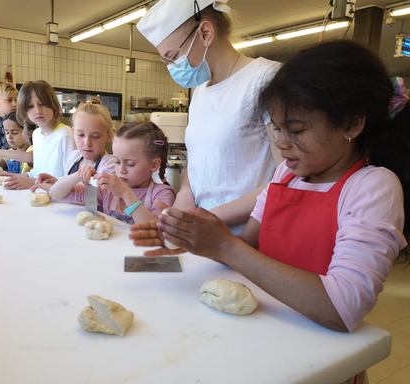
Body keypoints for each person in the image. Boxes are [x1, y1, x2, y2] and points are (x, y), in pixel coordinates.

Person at [130, 38, 409, 362]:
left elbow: (342, 308)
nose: (281, 143)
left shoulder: (373, 187)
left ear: (351, 123)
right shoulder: (285, 178)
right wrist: (193, 237)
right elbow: (248, 246)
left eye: (297, 130)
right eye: (275, 129)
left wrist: (225, 246)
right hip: (262, 338)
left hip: (317, 358)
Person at [136, 0, 283, 235]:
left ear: (205, 33)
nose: (173, 67)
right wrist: (182, 207)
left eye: (173, 56)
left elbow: (285, 178)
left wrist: (205, 218)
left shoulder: (266, 79)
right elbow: (196, 167)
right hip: (201, 235)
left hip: (247, 238)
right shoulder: (201, 92)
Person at [35, 121, 176, 224]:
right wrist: (77, 175)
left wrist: (126, 193)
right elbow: (56, 193)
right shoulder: (107, 190)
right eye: (117, 161)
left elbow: (156, 232)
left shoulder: (162, 194)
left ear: (154, 164)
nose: (121, 170)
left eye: (130, 164)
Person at [0, 80, 75, 190]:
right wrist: (17, 176)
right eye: (30, 106)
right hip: (39, 193)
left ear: (53, 104)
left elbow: (72, 178)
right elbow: (38, 171)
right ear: (25, 112)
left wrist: (32, 182)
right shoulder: (37, 134)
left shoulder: (65, 135)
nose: (37, 111)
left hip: (59, 198)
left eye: (42, 104)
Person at [32, 98, 115, 191]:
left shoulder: (109, 166)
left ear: (108, 136)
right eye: (81, 135)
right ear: (74, 133)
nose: (87, 143)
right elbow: (67, 180)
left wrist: (57, 189)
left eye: (95, 136)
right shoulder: (74, 156)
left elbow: (99, 198)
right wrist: (55, 181)